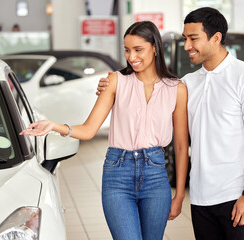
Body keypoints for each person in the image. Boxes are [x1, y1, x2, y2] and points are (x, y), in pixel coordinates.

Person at [97, 7, 244, 240]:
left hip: (236, 196)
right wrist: (109, 88)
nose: (187, 45)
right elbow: (161, 117)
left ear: (216, 38)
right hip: (200, 200)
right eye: (185, 38)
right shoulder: (187, 84)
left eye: (193, 39)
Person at [20, 21, 189, 240]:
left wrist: (179, 195)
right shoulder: (115, 81)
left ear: (155, 47)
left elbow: (182, 145)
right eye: (127, 50)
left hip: (156, 175)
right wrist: (54, 126)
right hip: (118, 173)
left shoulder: (177, 89)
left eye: (139, 50)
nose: (132, 57)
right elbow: (89, 130)